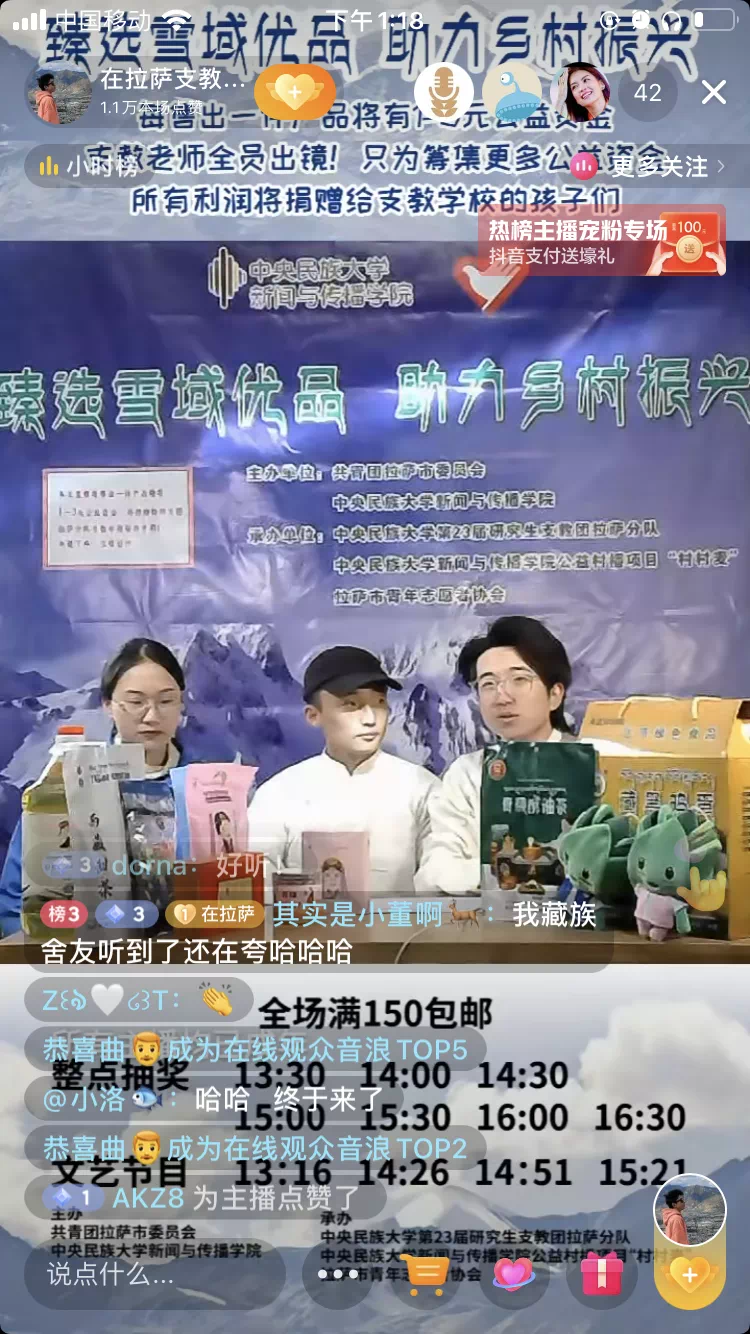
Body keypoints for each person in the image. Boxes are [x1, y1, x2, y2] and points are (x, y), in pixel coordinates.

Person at [0, 638, 197, 936]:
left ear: (181, 704)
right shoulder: (67, 783)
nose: (152, 716)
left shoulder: (208, 789)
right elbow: (16, 903)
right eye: (136, 702)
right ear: (108, 705)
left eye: (166, 701)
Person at [248, 646, 439, 895]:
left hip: (401, 921)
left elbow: (441, 884)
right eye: (351, 705)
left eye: (379, 703)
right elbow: (255, 882)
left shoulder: (423, 788)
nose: (370, 719)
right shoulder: (277, 794)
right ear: (313, 715)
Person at [415, 615, 577, 896]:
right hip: (494, 919)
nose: (502, 697)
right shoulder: (467, 773)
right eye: (488, 684)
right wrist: (511, 875)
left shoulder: (605, 761)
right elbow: (437, 869)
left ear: (555, 694)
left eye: (519, 679)